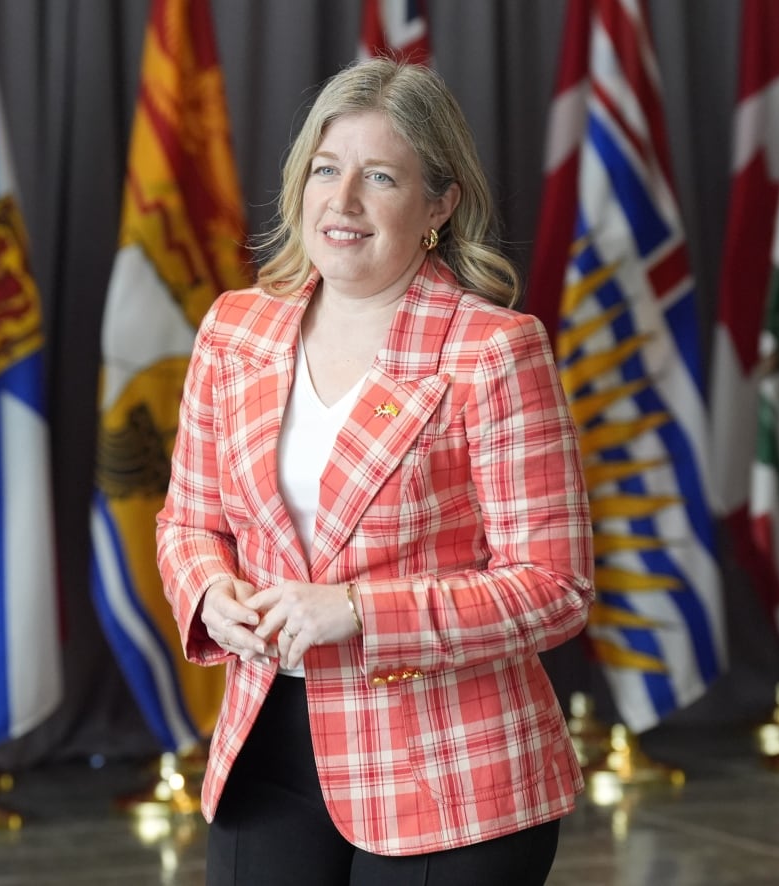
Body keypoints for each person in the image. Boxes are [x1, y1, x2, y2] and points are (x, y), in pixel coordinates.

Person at [156, 56, 593, 886]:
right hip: (266, 753)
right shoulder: (234, 330)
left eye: (380, 176)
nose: (343, 201)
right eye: (326, 169)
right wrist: (211, 592)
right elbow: (189, 523)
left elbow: (554, 587)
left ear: (439, 203)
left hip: (453, 770)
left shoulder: (493, 350)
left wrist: (359, 610)